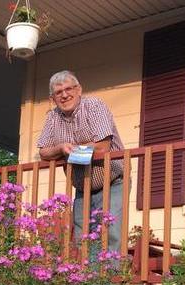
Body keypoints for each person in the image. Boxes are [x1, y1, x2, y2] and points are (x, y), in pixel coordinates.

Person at [37, 70, 125, 253]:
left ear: (79, 90)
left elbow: (102, 147)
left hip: (112, 182)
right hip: (82, 188)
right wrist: (61, 148)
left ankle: (110, 272)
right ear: (52, 98)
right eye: (58, 92)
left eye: (68, 89)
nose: (64, 95)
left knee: (110, 233)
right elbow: (43, 152)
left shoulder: (94, 106)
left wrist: (72, 151)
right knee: (82, 239)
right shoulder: (53, 117)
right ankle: (88, 272)